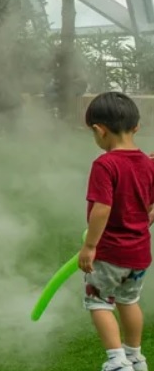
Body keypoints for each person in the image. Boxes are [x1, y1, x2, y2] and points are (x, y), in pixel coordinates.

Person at [77, 92, 154, 371]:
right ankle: (135, 356)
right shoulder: (149, 163)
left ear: (100, 130)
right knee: (129, 300)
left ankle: (117, 362)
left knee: (98, 302)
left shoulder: (105, 164)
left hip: (110, 251)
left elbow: (102, 208)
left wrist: (90, 247)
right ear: (136, 127)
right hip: (140, 253)